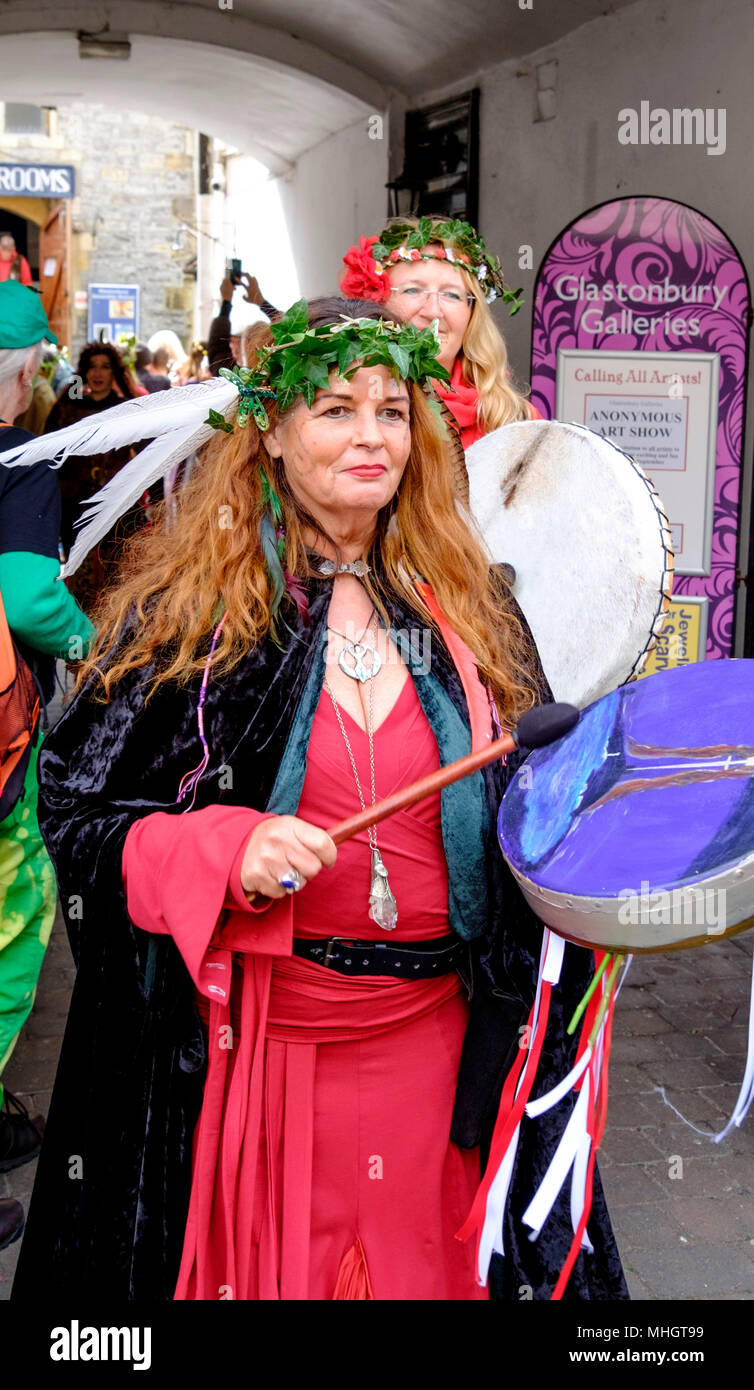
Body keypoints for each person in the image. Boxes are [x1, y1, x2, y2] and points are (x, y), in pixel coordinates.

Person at [2, 296, 626, 1302]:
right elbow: (76, 816)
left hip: (441, 1055)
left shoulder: (469, 599)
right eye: (335, 409)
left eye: (390, 410)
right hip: (265, 1065)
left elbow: (538, 799)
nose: (370, 435)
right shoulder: (188, 617)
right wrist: (218, 851)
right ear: (273, 430)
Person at [0, 283, 94, 1253]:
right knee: (11, 929)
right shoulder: (18, 457)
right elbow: (27, 593)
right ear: (25, 376)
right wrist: (88, 636)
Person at [341, 217, 541, 495]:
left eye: (452, 295)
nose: (434, 310)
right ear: (376, 304)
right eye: (413, 290)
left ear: (472, 313)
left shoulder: (515, 417)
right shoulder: (345, 404)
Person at [44, 341, 142, 614]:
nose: (98, 373)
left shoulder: (128, 409)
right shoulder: (68, 406)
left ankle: (112, 645)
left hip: (118, 506)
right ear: (84, 372)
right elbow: (49, 450)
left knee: (116, 577)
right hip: (76, 505)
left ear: (115, 373)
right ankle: (80, 643)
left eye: (105, 367)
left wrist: (155, 498)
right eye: (92, 367)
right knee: (79, 579)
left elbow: (151, 454)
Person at [208, 270, 276, 376]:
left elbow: (217, 350)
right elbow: (294, 328)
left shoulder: (240, 382)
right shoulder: (285, 375)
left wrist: (226, 301)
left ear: (248, 345)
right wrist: (261, 301)